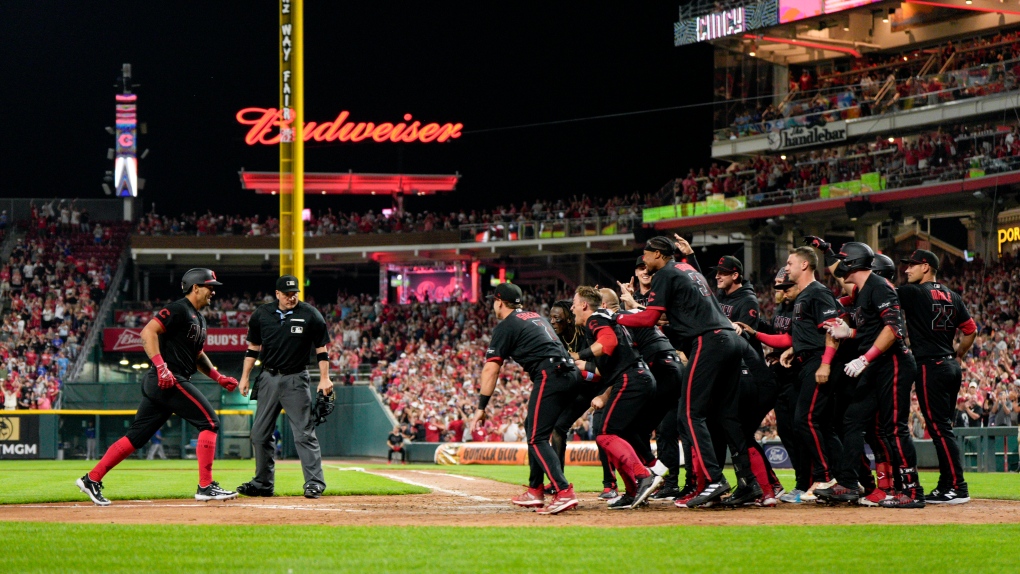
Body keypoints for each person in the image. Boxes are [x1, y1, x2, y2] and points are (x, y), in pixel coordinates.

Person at [616, 236, 760, 508]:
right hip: (729, 339)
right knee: (727, 416)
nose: (643, 260)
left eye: (645, 254)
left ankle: (713, 479)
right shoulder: (688, 270)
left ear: (658, 254)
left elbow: (649, 320)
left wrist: (617, 316)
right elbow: (671, 314)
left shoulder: (664, 274)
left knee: (690, 414)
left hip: (708, 341)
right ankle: (748, 482)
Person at [75, 268, 239, 506]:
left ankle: (92, 478)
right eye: (209, 286)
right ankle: (206, 486)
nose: (213, 291)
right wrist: (162, 367)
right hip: (168, 378)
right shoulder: (178, 308)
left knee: (136, 437)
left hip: (166, 380)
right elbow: (147, 331)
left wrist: (217, 376)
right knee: (210, 422)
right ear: (195, 288)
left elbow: (197, 355)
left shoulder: (199, 318)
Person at [824, 242, 922, 508]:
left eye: (844, 262)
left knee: (894, 429)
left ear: (854, 264)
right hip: (876, 364)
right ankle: (847, 482)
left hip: (893, 363)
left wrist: (864, 358)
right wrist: (851, 334)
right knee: (853, 419)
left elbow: (893, 329)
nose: (840, 268)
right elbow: (874, 329)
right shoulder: (864, 290)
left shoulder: (879, 286)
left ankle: (912, 491)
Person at [470, 282, 582, 515]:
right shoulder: (537, 318)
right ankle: (535, 489)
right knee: (532, 427)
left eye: (494, 300)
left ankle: (563, 491)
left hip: (550, 374)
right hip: (569, 374)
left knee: (536, 437)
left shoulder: (506, 325)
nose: (493, 304)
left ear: (499, 301)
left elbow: (491, 369)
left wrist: (481, 407)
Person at [237, 275, 333, 499]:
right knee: (259, 434)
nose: (292, 297)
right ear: (277, 294)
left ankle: (314, 483)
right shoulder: (261, 314)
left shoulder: (310, 314)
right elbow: (252, 349)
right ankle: (262, 483)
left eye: (295, 293)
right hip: (268, 378)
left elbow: (322, 349)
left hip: (296, 378)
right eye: (288, 294)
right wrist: (244, 377)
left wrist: (325, 378)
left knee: (304, 434)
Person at [572, 285, 663, 509]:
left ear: (584, 305)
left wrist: (579, 354)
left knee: (605, 434)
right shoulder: (606, 318)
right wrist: (580, 365)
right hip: (640, 377)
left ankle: (644, 475)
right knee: (618, 434)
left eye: (574, 303)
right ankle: (633, 491)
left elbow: (609, 343)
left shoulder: (594, 319)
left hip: (631, 379)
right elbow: (607, 365)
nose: (572, 308)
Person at [897, 249, 976, 504]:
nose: (906, 270)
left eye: (911, 265)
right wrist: (959, 354)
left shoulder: (914, 292)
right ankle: (946, 485)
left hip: (930, 365)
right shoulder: (953, 295)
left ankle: (957, 487)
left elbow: (882, 294)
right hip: (950, 365)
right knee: (944, 428)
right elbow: (970, 330)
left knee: (940, 429)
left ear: (926, 267)